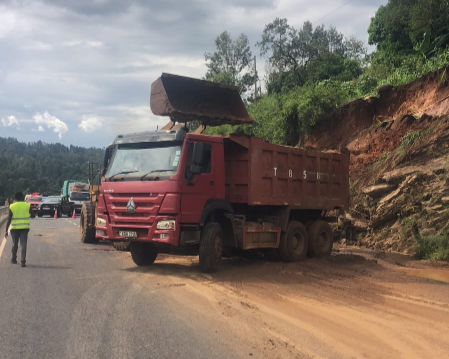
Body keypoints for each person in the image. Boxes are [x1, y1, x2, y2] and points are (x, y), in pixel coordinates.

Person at [5, 192, 35, 267]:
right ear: (23, 197)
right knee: (23, 244)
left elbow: (9, 219)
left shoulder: (12, 206)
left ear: (16, 198)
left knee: (15, 244)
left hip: (14, 228)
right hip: (24, 228)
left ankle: (14, 259)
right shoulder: (27, 205)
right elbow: (33, 215)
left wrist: (6, 231)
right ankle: (23, 261)